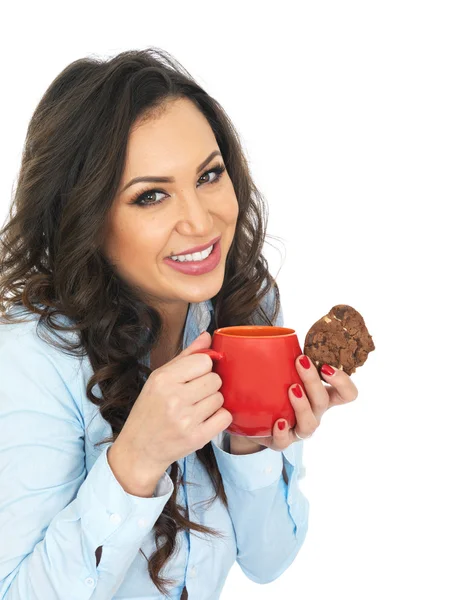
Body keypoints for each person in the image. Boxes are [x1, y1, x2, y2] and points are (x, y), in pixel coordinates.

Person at [0, 47, 358, 600]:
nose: (200, 219)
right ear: (85, 218)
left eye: (209, 175)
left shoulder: (246, 312)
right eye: (152, 196)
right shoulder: (32, 356)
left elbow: (268, 559)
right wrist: (136, 460)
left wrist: (252, 442)